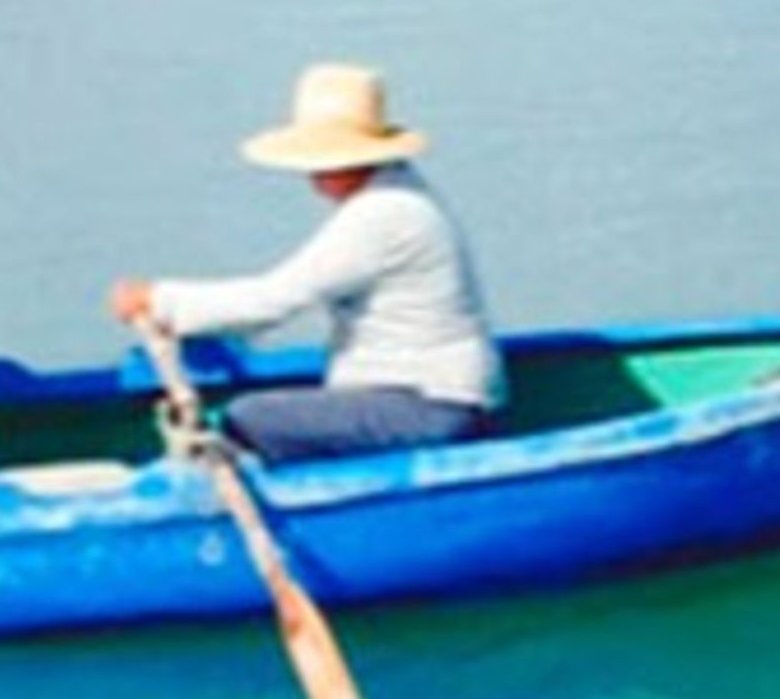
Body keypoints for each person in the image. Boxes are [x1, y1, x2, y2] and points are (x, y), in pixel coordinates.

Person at [109, 63, 503, 462]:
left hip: (429, 407)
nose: (312, 174)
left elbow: (272, 302)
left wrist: (159, 301)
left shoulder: (383, 214)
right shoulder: (395, 195)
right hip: (429, 397)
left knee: (249, 418)